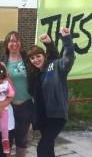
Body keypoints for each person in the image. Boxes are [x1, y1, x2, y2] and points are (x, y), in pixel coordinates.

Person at [27, 27, 75, 157]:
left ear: (44, 55)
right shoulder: (35, 74)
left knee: (42, 148)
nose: (36, 60)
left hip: (57, 115)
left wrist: (66, 38)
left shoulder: (56, 66)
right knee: (48, 147)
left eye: (38, 56)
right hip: (43, 117)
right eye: (32, 58)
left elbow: (69, 57)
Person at [3, 31, 34, 157]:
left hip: (25, 106)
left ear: (20, 43)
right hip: (8, 107)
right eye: (11, 41)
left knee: (21, 141)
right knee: (7, 140)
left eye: (17, 40)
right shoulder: (3, 62)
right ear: (6, 44)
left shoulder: (28, 59)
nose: (14, 43)